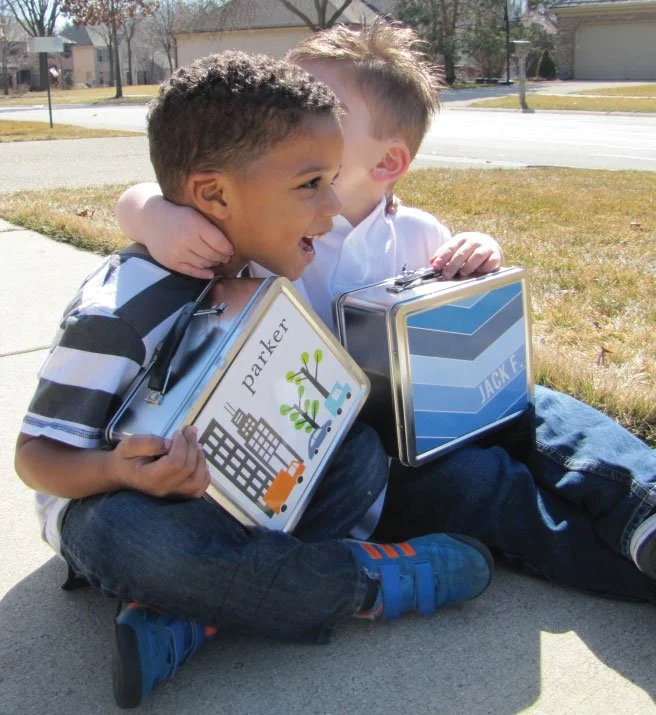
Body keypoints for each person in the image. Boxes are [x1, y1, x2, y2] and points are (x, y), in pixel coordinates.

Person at [14, 52, 494, 710]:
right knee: (137, 540)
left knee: (356, 452)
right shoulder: (123, 308)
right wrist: (125, 473)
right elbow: (36, 458)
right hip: (116, 499)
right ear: (215, 197)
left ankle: (188, 614)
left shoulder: (259, 271)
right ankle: (362, 585)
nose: (331, 209)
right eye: (311, 184)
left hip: (242, 489)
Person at [116, 21, 656, 603]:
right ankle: (626, 566)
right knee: (485, 488)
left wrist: (478, 253)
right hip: (357, 461)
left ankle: (644, 504)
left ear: (388, 162)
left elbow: (462, 313)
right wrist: (154, 215)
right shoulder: (259, 228)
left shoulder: (419, 231)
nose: (297, 118)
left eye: (325, 109)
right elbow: (148, 197)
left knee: (541, 408)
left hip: (446, 407)